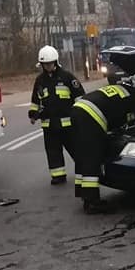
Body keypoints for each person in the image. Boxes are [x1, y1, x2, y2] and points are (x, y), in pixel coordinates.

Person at [71, 63, 135, 213]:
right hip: (91, 117)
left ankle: (83, 193)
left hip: (78, 110)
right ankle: (93, 203)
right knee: (93, 157)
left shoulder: (121, 90)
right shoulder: (133, 96)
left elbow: (118, 114)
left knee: (84, 155)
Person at [29, 45, 84, 185]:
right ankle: (58, 175)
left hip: (68, 124)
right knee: (53, 152)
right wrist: (33, 114)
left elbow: (80, 97)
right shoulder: (40, 80)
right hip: (49, 125)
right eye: (44, 64)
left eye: (49, 63)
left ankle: (85, 171)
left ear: (55, 62)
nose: (47, 66)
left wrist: (81, 115)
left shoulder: (67, 77)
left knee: (77, 149)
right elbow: (35, 100)